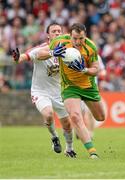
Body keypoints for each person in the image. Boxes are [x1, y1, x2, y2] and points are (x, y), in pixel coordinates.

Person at [35, 23, 105, 159]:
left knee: (100, 117)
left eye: (81, 38)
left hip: (88, 87)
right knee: (75, 116)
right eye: (75, 38)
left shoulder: (91, 47)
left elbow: (96, 69)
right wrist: (52, 53)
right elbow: (39, 54)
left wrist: (85, 70)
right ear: (70, 35)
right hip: (69, 87)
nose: (78, 42)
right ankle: (92, 152)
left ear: (85, 36)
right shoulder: (59, 41)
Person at [12, 22, 76, 158]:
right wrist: (18, 58)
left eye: (59, 31)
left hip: (59, 92)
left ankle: (69, 149)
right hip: (40, 91)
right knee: (48, 114)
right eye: (54, 31)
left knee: (67, 124)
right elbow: (29, 56)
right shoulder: (42, 48)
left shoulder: (69, 50)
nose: (57, 33)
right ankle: (54, 137)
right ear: (48, 35)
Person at [82, 55, 107, 138]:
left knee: (90, 112)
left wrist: (102, 77)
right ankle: (80, 130)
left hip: (92, 87)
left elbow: (103, 70)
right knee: (80, 111)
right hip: (79, 86)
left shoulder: (96, 56)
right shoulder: (76, 53)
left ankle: (90, 133)